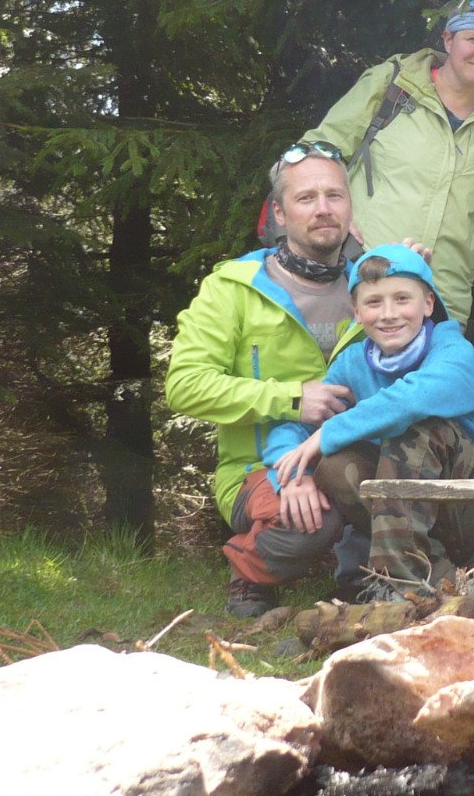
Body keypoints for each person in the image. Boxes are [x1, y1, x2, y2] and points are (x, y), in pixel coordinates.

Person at [163, 142, 368, 618]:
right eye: (306, 198)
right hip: (255, 468)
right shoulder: (233, 288)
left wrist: (420, 281)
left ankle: (368, 574)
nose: (323, 209)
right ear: (279, 213)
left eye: (334, 196)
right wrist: (291, 399)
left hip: (356, 452)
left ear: (349, 206)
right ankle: (250, 569)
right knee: (313, 519)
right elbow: (185, 384)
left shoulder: (374, 285)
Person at [303, 0, 474, 325]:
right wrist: (335, 219)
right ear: (448, 40)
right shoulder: (393, 86)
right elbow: (318, 152)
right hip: (355, 280)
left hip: (441, 305)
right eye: (473, 38)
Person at [266, 244, 474, 598]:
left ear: (428, 303)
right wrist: (292, 478)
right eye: (374, 302)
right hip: (406, 520)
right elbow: (297, 426)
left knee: (415, 430)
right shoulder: (353, 363)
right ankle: (433, 575)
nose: (389, 314)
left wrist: (331, 431)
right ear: (356, 312)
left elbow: (412, 399)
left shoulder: (453, 350)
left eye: (402, 299)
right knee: (335, 464)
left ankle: (402, 585)